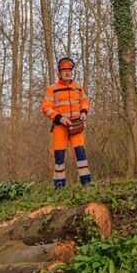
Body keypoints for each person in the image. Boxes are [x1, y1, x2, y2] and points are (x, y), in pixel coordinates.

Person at [41, 56, 91, 188]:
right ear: (59, 73)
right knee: (59, 157)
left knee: (81, 154)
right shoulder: (53, 88)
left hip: (76, 126)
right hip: (60, 127)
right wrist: (58, 117)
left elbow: (85, 101)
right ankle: (59, 186)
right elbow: (45, 107)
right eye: (64, 71)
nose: (67, 73)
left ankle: (86, 182)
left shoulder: (79, 88)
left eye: (69, 70)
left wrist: (84, 112)